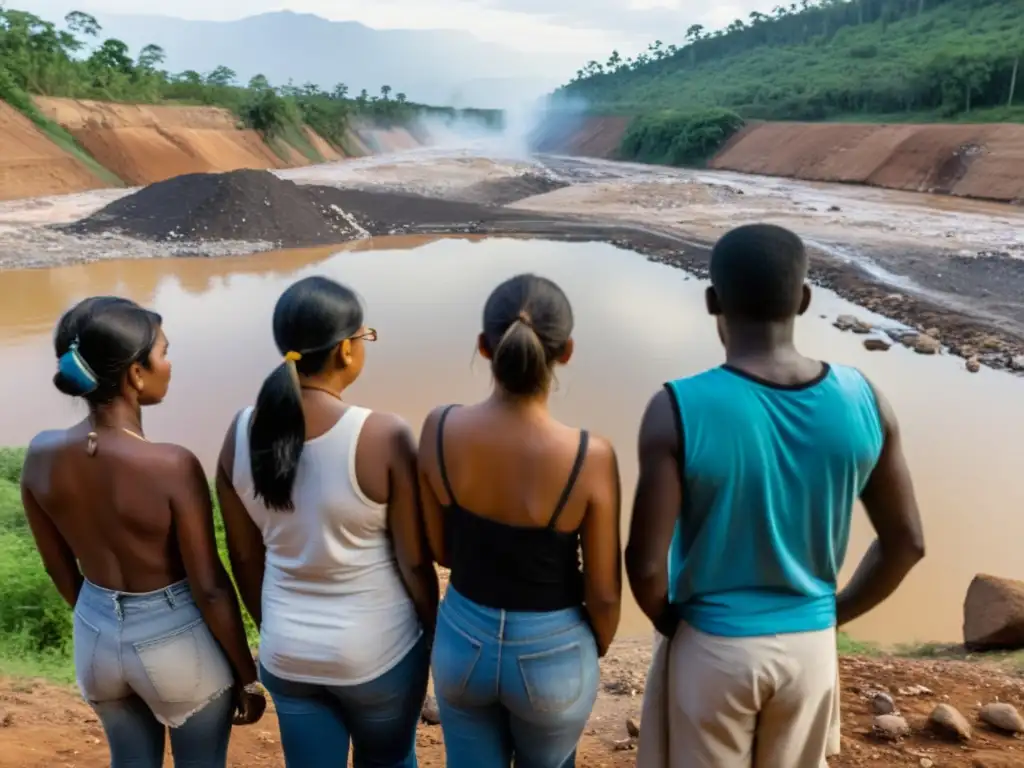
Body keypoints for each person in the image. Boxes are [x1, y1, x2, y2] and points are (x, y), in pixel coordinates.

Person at [627, 224, 926, 768]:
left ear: (712, 300)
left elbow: (645, 563)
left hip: (712, 646)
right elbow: (905, 544)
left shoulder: (677, 408)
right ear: (805, 300)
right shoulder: (865, 400)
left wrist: (670, 621)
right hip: (810, 647)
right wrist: (833, 613)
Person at [20, 296, 264, 768]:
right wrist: (247, 675)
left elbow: (58, 567)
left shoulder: (41, 454)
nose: (169, 365)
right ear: (135, 373)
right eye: (164, 353)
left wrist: (104, 623)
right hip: (174, 644)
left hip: (94, 637)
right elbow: (209, 587)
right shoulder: (171, 465)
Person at [216, 275, 437, 768]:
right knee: (390, 759)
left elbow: (245, 557)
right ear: (345, 351)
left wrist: (275, 627)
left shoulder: (239, 433)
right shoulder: (382, 434)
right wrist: (435, 634)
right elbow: (415, 562)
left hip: (287, 654)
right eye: (365, 337)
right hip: (376, 653)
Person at [418, 273, 622, 768]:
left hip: (462, 641)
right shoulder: (588, 456)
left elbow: (441, 550)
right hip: (553, 649)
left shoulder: (439, 427)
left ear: (484, 347)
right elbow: (604, 594)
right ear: (566, 351)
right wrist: (588, 646)